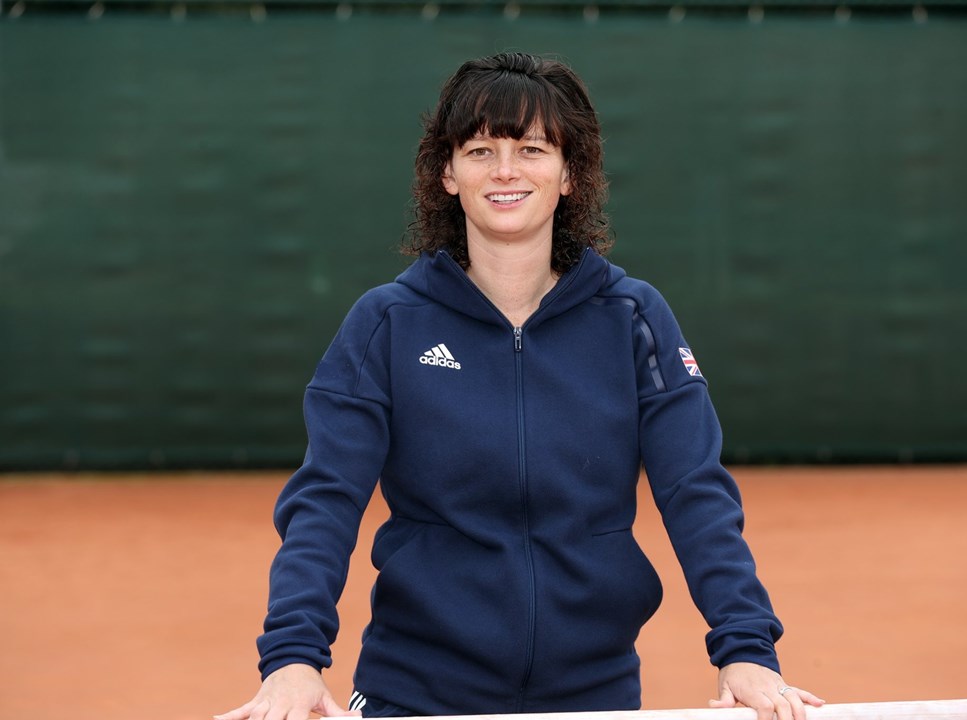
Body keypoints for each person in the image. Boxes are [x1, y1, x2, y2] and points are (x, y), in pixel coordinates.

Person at [216, 52, 823, 720]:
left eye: (532, 148)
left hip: (594, 696)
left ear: (570, 174)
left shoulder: (634, 318)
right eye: (480, 150)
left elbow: (695, 494)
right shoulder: (385, 324)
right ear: (447, 173)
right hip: (413, 693)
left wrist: (746, 649)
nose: (505, 171)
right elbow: (325, 501)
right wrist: (293, 659)